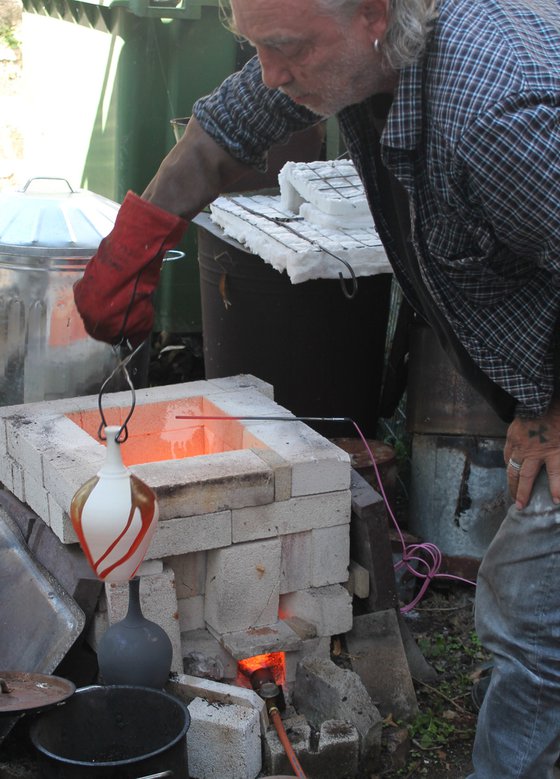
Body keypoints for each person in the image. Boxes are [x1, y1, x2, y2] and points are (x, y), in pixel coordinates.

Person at [73, 0, 560, 775]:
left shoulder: (495, 115)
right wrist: (142, 233)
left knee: (531, 620)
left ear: (374, 13)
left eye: (284, 49)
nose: (268, 73)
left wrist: (552, 412)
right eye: (253, 46)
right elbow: (226, 127)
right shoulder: (342, 47)